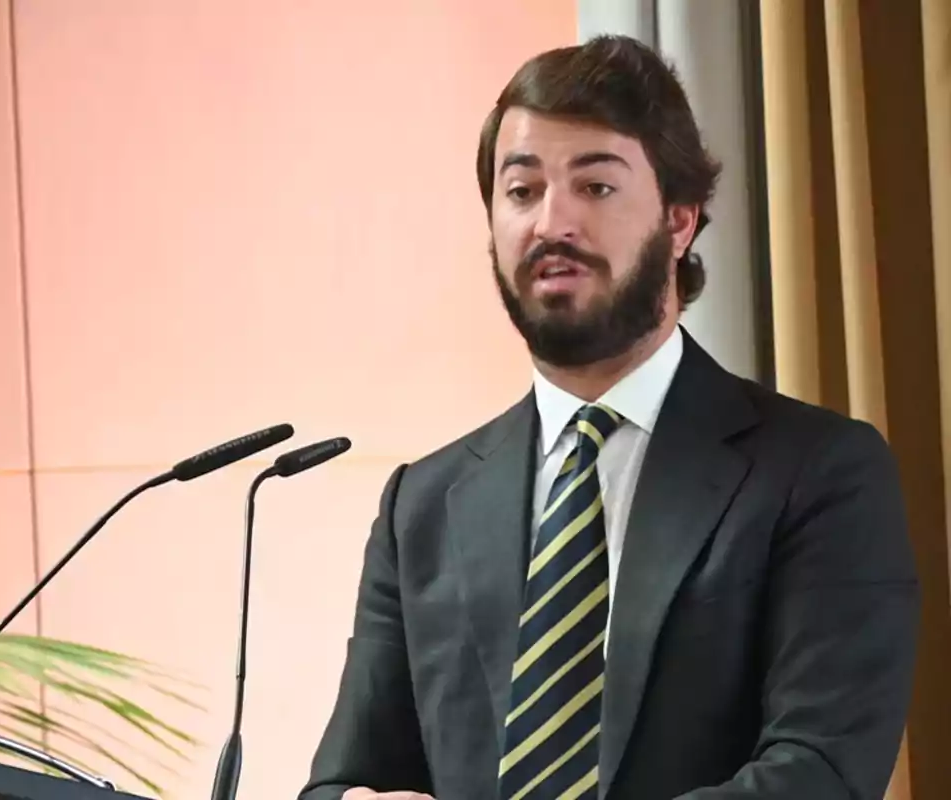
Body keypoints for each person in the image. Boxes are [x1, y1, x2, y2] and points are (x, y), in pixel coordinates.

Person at [297, 34, 920, 800]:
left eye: (594, 187)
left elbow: (820, 769)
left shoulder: (819, 470)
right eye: (521, 191)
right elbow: (346, 777)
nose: (550, 223)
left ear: (679, 220)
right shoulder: (419, 507)